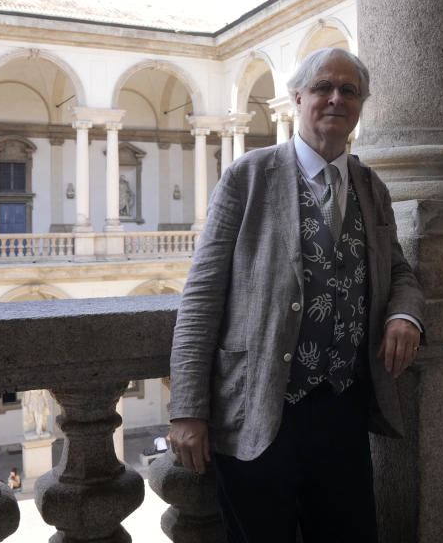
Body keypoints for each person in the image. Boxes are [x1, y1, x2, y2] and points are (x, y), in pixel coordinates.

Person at [168, 47, 425, 542]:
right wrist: (187, 409)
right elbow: (200, 299)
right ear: (297, 98)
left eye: (349, 90)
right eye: (323, 88)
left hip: (344, 409)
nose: (336, 98)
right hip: (260, 408)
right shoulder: (248, 176)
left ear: (361, 104)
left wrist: (405, 318)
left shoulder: (371, 187)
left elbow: (400, 272)